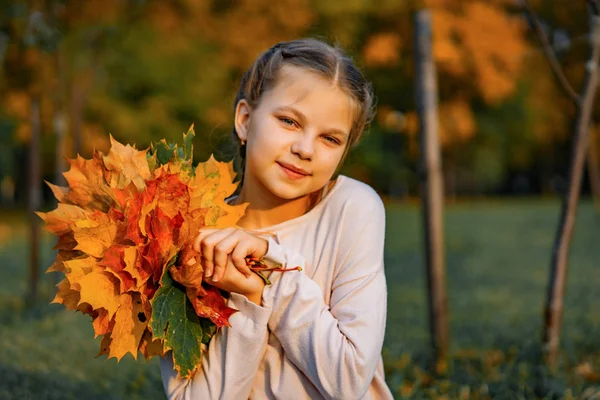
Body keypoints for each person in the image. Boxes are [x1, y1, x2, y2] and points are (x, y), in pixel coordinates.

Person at [160, 38, 394, 400]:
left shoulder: (352, 209)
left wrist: (270, 275)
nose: (305, 149)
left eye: (330, 139)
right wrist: (249, 301)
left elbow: (349, 382)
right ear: (245, 119)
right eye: (288, 121)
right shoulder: (191, 237)